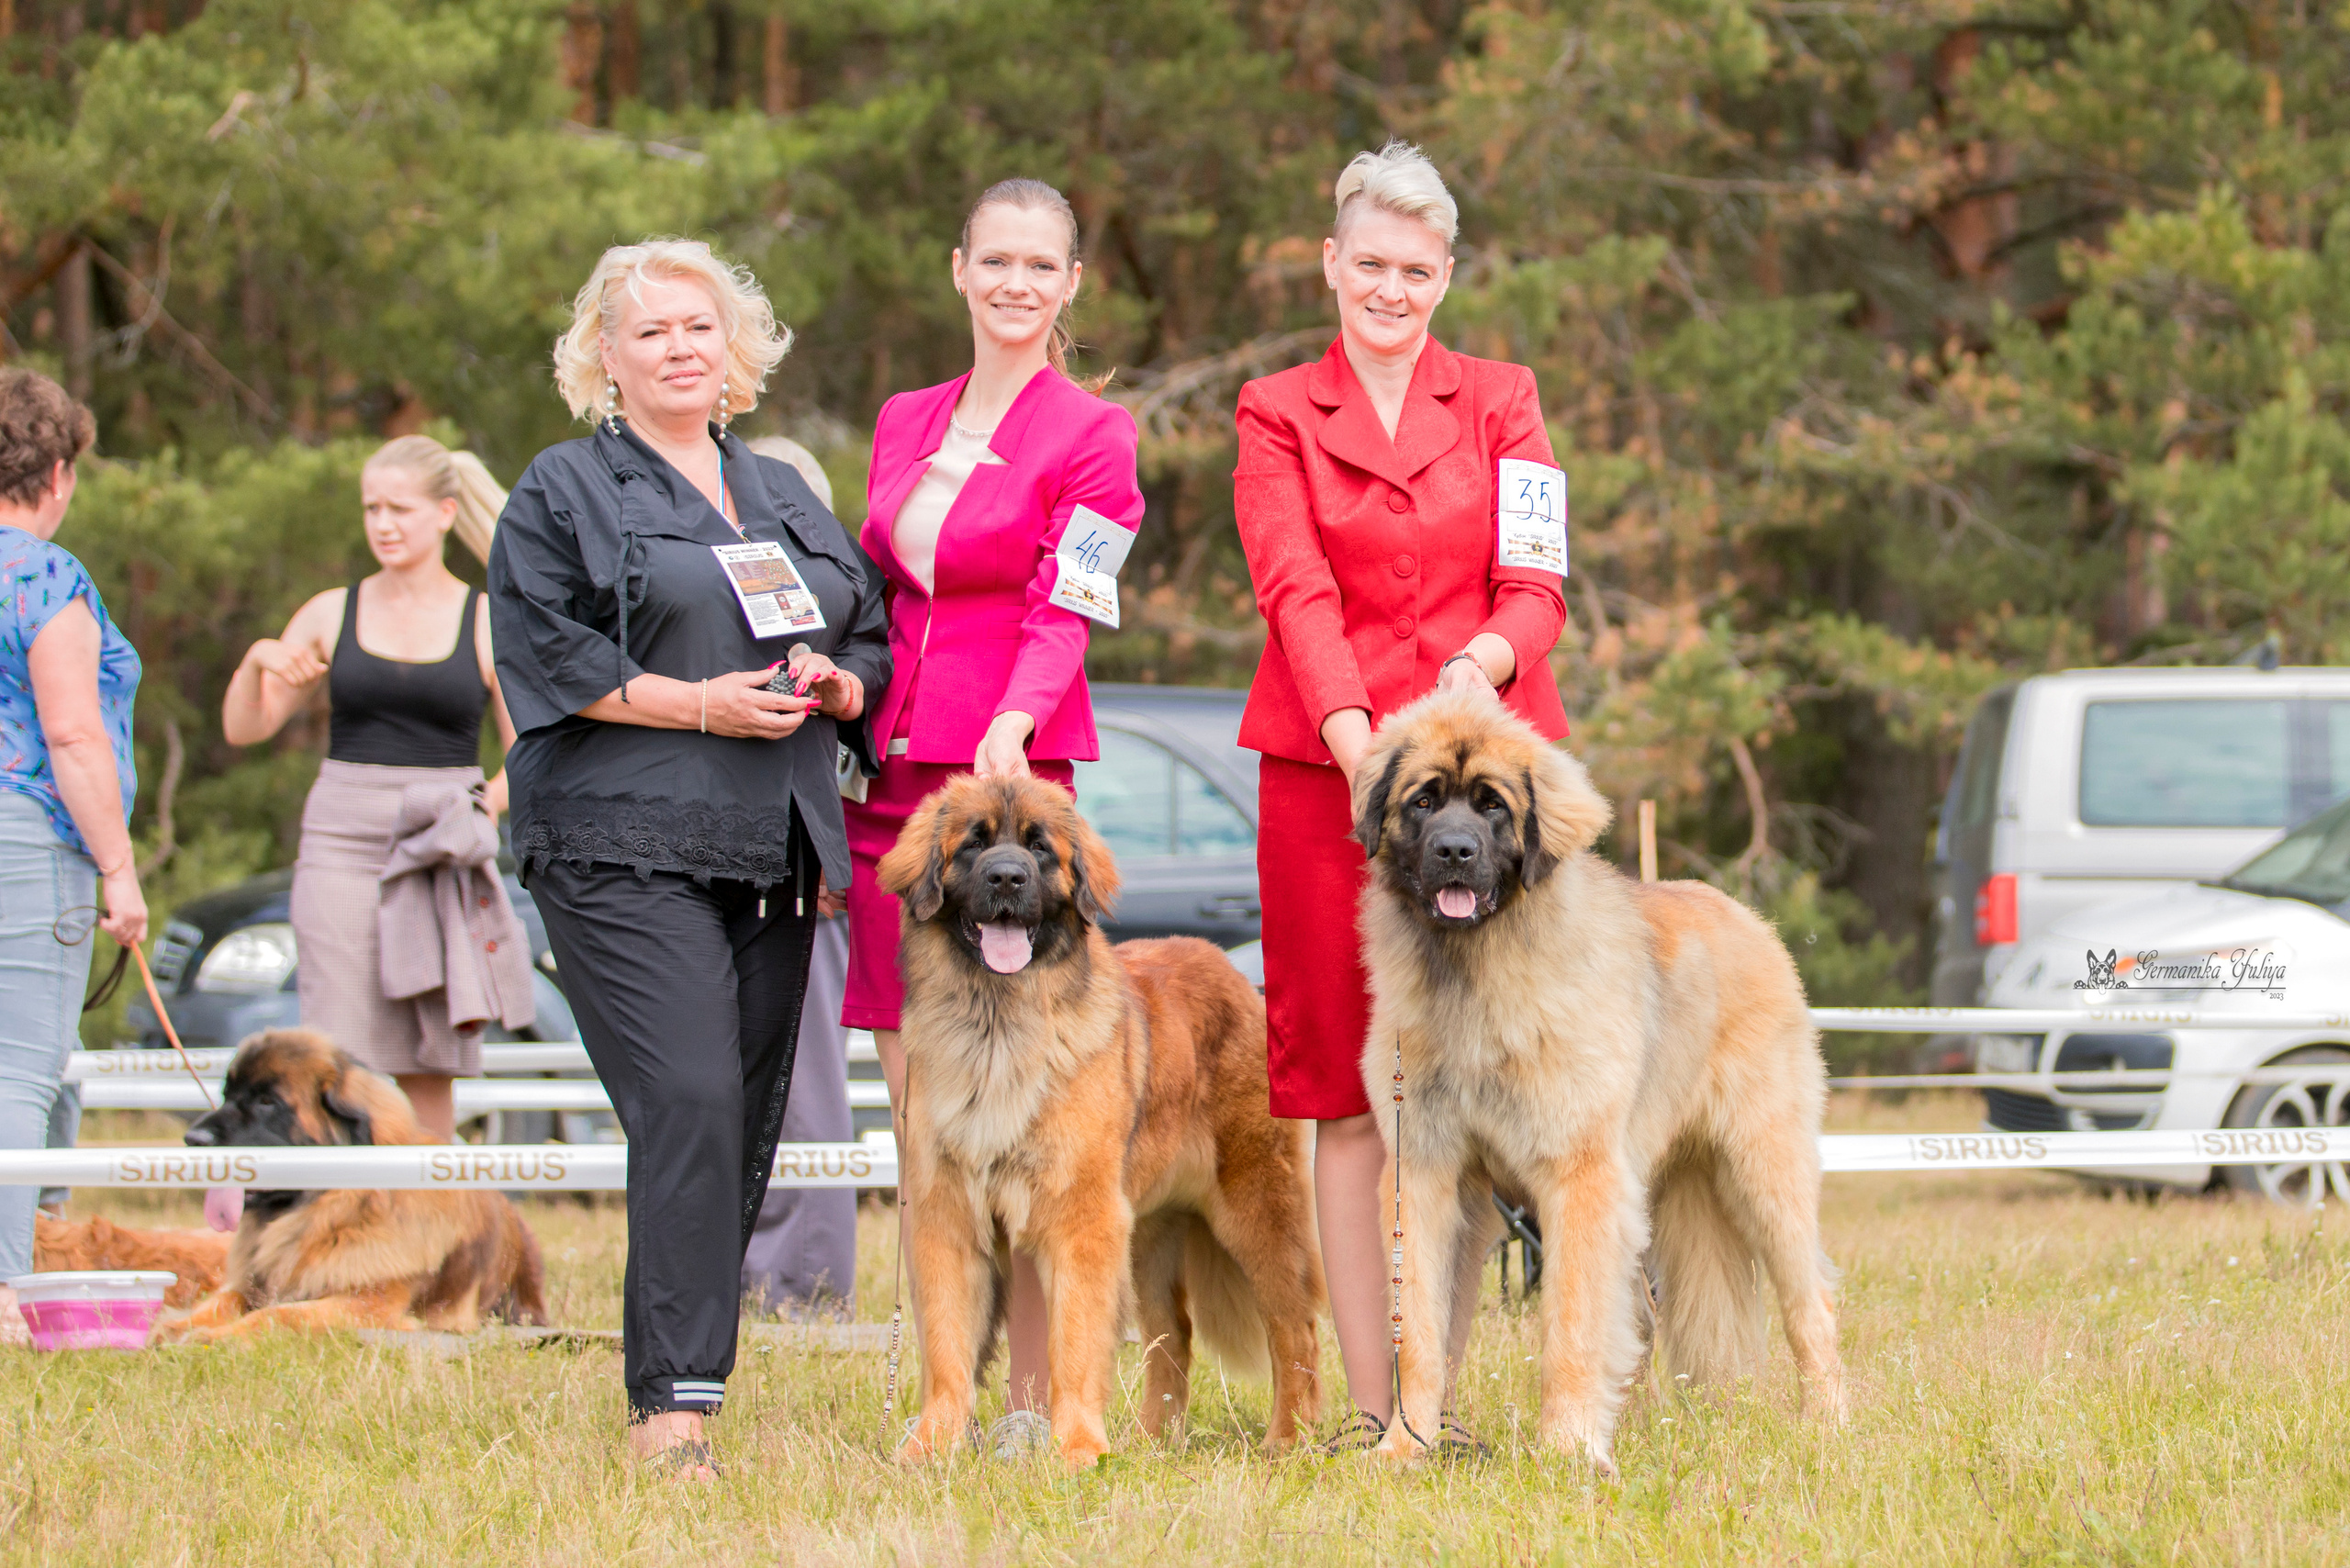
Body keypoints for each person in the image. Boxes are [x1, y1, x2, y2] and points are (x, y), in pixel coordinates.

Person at [488, 239, 890, 1479]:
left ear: (734, 351)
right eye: (650, 330)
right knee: (691, 1098)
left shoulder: (779, 492)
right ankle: (670, 1414)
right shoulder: (563, 487)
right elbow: (542, 650)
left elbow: (868, 630)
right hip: (618, 840)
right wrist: (699, 706)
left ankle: (689, 1378)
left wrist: (838, 681)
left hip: (771, 848)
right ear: (605, 357)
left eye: (698, 327)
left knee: (740, 1119)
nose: (678, 348)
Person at [1232, 141, 1572, 1453]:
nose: (1390, 289)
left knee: (1482, 1081)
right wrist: (1361, 747)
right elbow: (1293, 586)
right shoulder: (1274, 409)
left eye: (1415, 271)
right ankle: (1384, 1411)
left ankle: (1449, 1393)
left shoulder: (1504, 398)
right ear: (1331, 262)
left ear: (1447, 275)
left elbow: (1536, 585)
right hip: (1330, 781)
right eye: (1368, 264)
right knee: (1344, 1092)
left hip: (1488, 785)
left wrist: (1478, 668)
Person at [845, 178, 1144, 1454]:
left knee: (1035, 1116)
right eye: (996, 260)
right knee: (924, 1114)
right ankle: (943, 1392)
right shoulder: (904, 417)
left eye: (1041, 265)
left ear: (1069, 284)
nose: (1016, 282)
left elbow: (1068, 601)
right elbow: (876, 585)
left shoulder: (1095, 432)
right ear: (958, 269)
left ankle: (1034, 1400)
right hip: (891, 779)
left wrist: (1017, 717)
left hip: (1008, 783)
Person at [220, 435, 529, 1144]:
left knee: (429, 1054)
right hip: (340, 844)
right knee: (333, 1051)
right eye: (371, 509)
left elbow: (531, 748)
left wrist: (478, 805)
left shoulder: (487, 618)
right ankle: (340, 1198)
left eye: (400, 509)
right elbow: (245, 728)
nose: (383, 524)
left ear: (445, 512)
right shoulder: (331, 611)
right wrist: (259, 661)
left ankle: (429, 1205)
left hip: (438, 847)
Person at [0, 369, 145, 1344]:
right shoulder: (43, 576)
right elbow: (73, 733)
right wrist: (119, 871)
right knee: (21, 1071)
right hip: (25, 837)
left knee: (57, 1065)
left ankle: (44, 1249)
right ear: (57, 473)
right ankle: (8, 1291)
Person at [739, 435, 856, 1320]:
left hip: (809, 871)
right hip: (733, 863)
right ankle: (745, 1275)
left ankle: (806, 1287)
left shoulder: (835, 598)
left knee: (805, 1084)